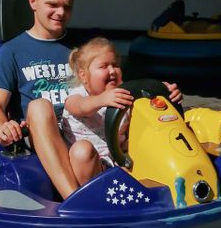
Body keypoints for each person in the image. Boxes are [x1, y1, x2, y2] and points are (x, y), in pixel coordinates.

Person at [0, 0, 81, 199]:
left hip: (82, 130)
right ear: (33, 1)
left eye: (66, 6)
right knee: (39, 107)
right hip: (41, 132)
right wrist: (1, 128)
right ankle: (74, 198)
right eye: (52, 5)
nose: (60, 12)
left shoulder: (82, 49)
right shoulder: (12, 51)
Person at [61, 37, 182, 187]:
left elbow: (146, 99)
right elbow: (79, 106)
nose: (112, 71)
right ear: (83, 76)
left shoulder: (124, 93)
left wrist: (164, 91)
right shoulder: (78, 95)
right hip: (89, 166)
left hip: (119, 160)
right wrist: (101, 99)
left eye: (115, 65)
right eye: (104, 66)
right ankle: (95, 196)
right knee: (82, 151)